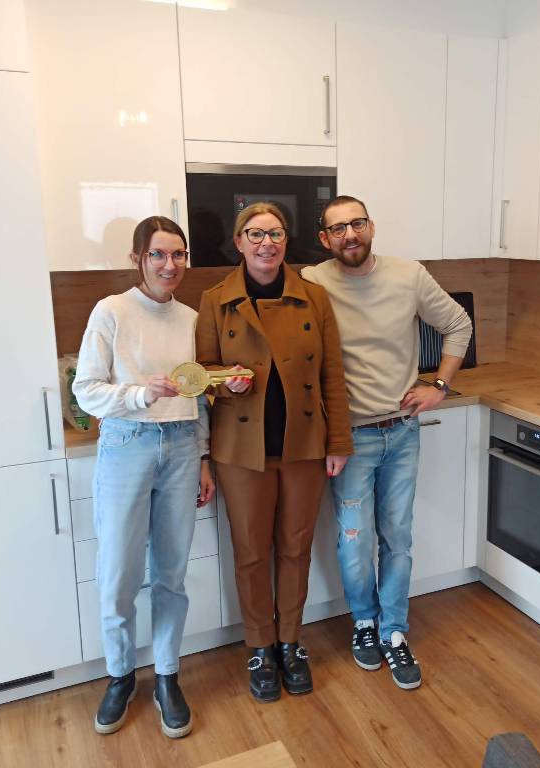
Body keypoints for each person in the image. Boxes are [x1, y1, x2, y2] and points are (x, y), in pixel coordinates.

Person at [302, 195, 472, 690]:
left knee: (397, 536)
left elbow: (457, 323)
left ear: (371, 226)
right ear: (325, 239)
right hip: (348, 438)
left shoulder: (409, 275)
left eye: (357, 224)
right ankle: (364, 622)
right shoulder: (313, 283)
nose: (349, 234)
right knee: (354, 540)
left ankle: (394, 631)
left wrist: (439, 386)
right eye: (338, 228)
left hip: (401, 430)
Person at [195, 202, 352, 702]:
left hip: (303, 443)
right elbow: (202, 373)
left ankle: (290, 642)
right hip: (242, 449)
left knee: (295, 548)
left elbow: (332, 374)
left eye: (276, 233)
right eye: (256, 234)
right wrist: (225, 384)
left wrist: (338, 441)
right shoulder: (215, 301)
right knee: (250, 553)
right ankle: (260, 647)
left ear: (287, 240)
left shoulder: (314, 298)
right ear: (239, 242)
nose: (267, 243)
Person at [73, 215, 215, 738]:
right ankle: (119, 676)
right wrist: (139, 394)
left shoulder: (191, 319)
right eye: (158, 254)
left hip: (181, 448)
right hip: (127, 445)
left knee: (171, 573)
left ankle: (167, 676)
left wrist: (203, 457)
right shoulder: (110, 311)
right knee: (119, 573)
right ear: (138, 258)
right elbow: (86, 391)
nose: (169, 264)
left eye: (178, 254)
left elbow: (199, 394)